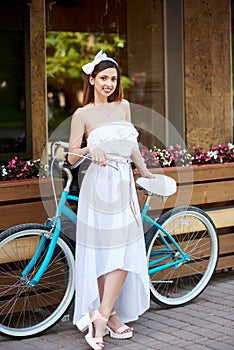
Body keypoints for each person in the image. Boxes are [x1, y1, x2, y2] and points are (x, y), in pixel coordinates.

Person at [68, 50, 154, 350]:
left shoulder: (124, 106)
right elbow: (70, 155)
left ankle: (102, 315)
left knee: (126, 249)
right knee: (105, 252)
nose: (108, 83)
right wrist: (90, 151)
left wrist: (143, 171)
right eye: (103, 78)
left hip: (123, 184)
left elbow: (131, 146)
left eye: (113, 78)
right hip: (98, 186)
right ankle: (110, 316)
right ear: (91, 80)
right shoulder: (83, 114)